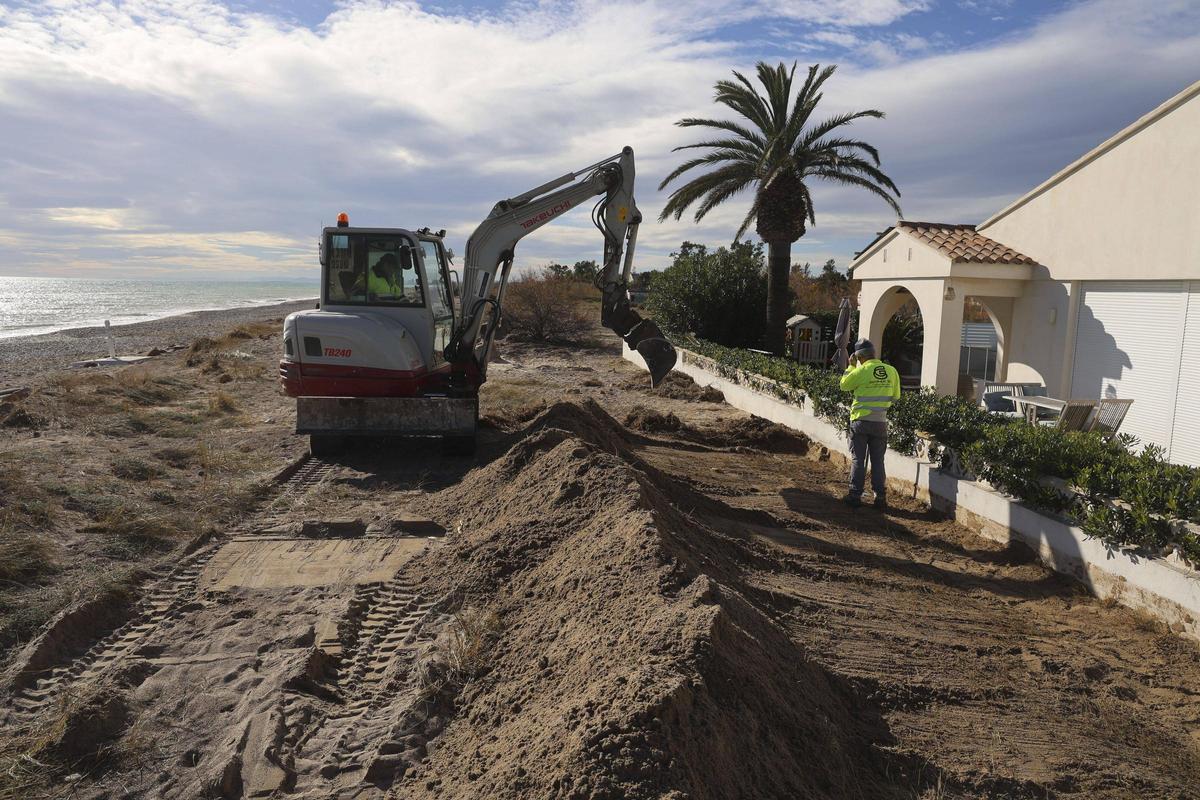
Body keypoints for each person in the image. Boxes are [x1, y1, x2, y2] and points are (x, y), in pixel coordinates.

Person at [839, 338, 900, 509]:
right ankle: (880, 498)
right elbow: (895, 397)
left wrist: (851, 367)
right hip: (880, 422)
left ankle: (854, 495)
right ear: (874, 353)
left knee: (858, 459)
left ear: (858, 357)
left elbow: (844, 385)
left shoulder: (861, 371)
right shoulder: (892, 371)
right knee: (878, 461)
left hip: (860, 421)